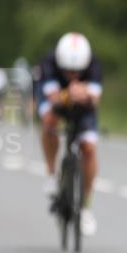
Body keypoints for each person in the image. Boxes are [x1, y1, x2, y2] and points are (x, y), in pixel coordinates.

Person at [36, 33, 103, 236]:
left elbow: (94, 98)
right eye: (68, 71)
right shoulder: (49, 63)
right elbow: (53, 98)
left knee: (89, 148)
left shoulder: (93, 64)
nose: (73, 75)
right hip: (55, 102)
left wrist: (83, 95)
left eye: (77, 72)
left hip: (84, 107)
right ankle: (51, 173)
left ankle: (86, 207)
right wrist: (71, 93)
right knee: (49, 121)